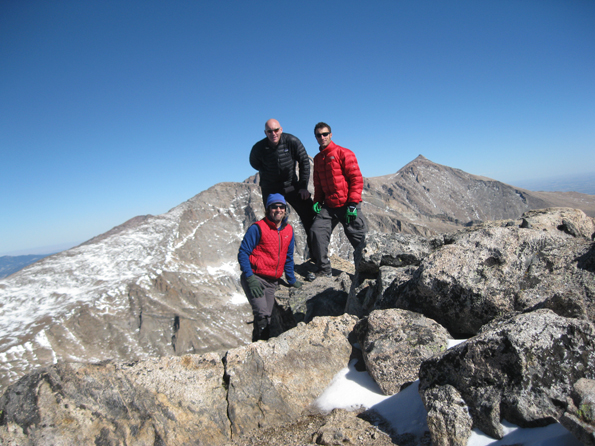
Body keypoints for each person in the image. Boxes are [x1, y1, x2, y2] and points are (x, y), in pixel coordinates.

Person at [238, 193, 302, 341]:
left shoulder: (288, 231)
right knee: (262, 315)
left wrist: (291, 279)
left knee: (268, 318)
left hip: (272, 281)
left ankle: (260, 344)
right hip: (256, 277)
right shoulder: (257, 228)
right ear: (268, 209)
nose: (278, 210)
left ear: (285, 210)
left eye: (281, 207)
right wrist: (250, 278)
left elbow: (288, 257)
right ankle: (259, 348)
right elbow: (243, 253)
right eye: (274, 207)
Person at [307, 122, 367, 281]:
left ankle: (368, 271)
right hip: (329, 206)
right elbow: (318, 184)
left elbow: (356, 179)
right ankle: (324, 269)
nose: (322, 137)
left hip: (348, 204)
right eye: (319, 135)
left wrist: (353, 204)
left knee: (359, 239)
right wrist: (317, 201)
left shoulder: (344, 153)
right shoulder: (318, 159)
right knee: (316, 231)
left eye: (325, 134)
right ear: (316, 138)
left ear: (331, 134)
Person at [250, 119, 316, 261]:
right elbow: (254, 163)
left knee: (310, 216)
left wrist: (303, 187)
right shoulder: (259, 148)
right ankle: (273, 263)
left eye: (276, 130)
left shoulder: (291, 141)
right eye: (269, 131)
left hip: (291, 185)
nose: (273, 133)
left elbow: (304, 161)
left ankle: (316, 258)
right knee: (272, 224)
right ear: (265, 133)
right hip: (271, 189)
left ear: (281, 129)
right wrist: (269, 174)